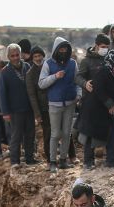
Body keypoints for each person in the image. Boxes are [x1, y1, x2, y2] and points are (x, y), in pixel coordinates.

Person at [79, 49, 114, 170]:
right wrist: (110, 103)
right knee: (91, 134)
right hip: (95, 108)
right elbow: (99, 89)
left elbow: (113, 89)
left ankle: (110, 161)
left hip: (104, 108)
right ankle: (88, 162)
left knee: (111, 133)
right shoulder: (104, 71)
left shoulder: (113, 72)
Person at [38, 37, 79, 172]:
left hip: (70, 103)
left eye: (66, 49)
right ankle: (52, 161)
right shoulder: (48, 64)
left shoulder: (73, 63)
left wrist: (79, 95)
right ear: (56, 49)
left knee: (67, 133)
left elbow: (78, 81)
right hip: (54, 104)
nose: (63, 51)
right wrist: (55, 76)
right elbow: (42, 83)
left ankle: (63, 160)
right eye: (61, 49)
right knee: (55, 134)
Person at [0, 44, 36, 166]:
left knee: (30, 134)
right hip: (14, 110)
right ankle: (15, 161)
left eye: (17, 55)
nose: (15, 58)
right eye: (12, 56)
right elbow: (2, 94)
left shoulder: (27, 66)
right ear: (8, 57)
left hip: (29, 108)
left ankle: (30, 159)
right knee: (16, 136)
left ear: (20, 54)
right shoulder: (4, 72)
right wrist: (5, 113)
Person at [26, 46, 52, 162]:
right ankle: (49, 159)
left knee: (64, 131)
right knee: (47, 133)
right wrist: (37, 114)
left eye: (39, 56)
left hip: (55, 103)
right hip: (43, 108)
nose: (37, 58)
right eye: (35, 56)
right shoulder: (30, 73)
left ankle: (71, 156)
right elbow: (32, 95)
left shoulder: (50, 67)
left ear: (43, 56)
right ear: (32, 58)